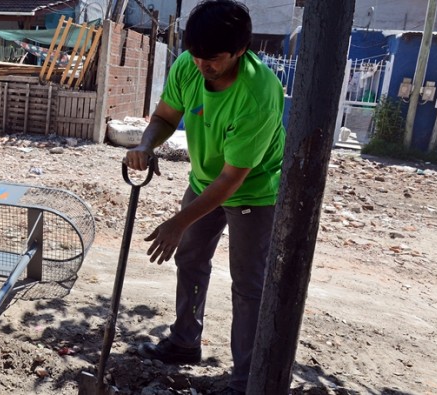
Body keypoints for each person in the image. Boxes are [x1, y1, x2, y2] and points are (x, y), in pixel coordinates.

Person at [124, 1, 285, 394]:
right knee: (191, 260)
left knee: (248, 285)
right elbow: (164, 118)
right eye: (196, 56)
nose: (201, 65)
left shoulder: (259, 93)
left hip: (254, 191)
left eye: (212, 59)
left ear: (240, 50)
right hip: (203, 180)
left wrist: (179, 222)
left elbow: (232, 180)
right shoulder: (188, 65)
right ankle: (184, 343)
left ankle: (246, 380)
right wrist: (146, 146)